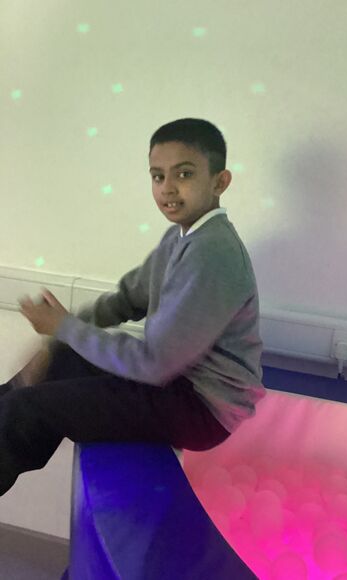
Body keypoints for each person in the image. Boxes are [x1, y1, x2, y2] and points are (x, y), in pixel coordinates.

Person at [0, 117, 266, 496]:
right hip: (176, 381)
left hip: (201, 407)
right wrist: (55, 340)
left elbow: (154, 364)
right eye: (158, 176)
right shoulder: (180, 238)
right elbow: (127, 299)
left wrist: (63, 328)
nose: (168, 188)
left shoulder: (213, 252)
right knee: (56, 363)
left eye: (184, 174)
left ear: (220, 182)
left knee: (27, 409)